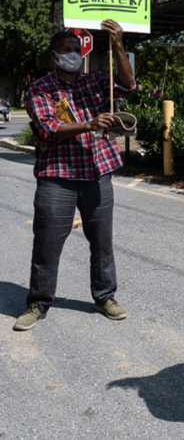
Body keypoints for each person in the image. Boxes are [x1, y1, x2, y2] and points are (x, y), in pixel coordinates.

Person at [14, 19, 136, 331]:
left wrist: (119, 43)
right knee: (47, 244)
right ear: (54, 56)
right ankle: (38, 303)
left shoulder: (94, 82)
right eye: (66, 50)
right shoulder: (42, 88)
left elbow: (128, 84)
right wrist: (89, 125)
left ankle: (104, 296)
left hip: (97, 174)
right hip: (57, 177)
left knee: (102, 243)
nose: (73, 55)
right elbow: (48, 128)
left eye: (76, 50)